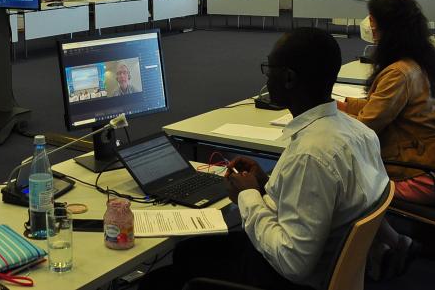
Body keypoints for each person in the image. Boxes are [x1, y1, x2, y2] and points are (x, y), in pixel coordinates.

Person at [139, 28, 389, 290]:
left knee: (163, 277)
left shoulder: (310, 155)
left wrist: (249, 197)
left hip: (289, 278)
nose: (267, 78)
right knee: (189, 252)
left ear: (289, 78)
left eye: (269, 69)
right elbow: (323, 199)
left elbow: (293, 263)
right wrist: (265, 182)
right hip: (331, 265)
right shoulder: (359, 131)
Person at [337, 0, 435, 277]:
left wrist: (331, 115)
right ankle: (383, 248)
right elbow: (380, 105)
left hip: (423, 175)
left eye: (372, 19)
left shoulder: (399, 73)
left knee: (344, 188)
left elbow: (365, 128)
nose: (368, 24)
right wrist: (342, 104)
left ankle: (394, 244)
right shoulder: (422, 62)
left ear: (385, 27)